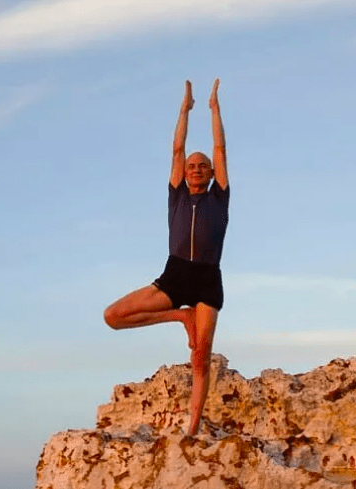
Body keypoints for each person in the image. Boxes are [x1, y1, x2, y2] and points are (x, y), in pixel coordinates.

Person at [104, 79, 229, 436]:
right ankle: (179, 316)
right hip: (174, 276)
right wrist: (184, 109)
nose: (195, 168)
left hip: (207, 279)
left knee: (201, 357)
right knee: (112, 316)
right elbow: (177, 149)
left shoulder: (218, 197)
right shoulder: (176, 196)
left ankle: (192, 428)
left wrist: (214, 109)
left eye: (201, 166)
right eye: (191, 165)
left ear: (210, 174)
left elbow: (220, 147)